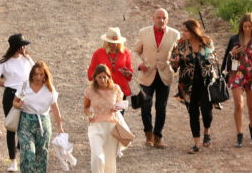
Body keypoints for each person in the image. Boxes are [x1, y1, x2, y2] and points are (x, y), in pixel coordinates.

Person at [16, 60, 63, 173]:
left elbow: (55, 108)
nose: (38, 77)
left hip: (43, 122)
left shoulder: (49, 89)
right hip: (26, 121)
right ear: (32, 74)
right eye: (36, 74)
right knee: (28, 154)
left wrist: (60, 126)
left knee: (41, 157)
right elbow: (15, 102)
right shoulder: (25, 86)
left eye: (41, 74)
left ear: (45, 75)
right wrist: (19, 104)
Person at [133, 8, 179, 148]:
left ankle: (158, 136)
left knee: (161, 107)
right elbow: (134, 52)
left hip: (165, 74)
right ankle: (148, 134)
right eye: (158, 17)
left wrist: (177, 62)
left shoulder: (175, 34)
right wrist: (140, 64)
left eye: (164, 17)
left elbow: (178, 54)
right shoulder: (144, 33)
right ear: (153, 19)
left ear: (168, 19)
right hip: (147, 74)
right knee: (146, 105)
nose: (161, 20)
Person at [221, 12, 252, 147]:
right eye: (245, 26)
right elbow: (227, 57)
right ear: (241, 26)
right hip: (237, 74)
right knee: (238, 104)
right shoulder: (235, 39)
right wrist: (233, 54)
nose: (247, 29)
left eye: (249, 26)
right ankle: (239, 134)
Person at [0, 33, 34, 172]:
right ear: (17, 47)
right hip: (11, 94)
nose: (25, 48)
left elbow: (36, 72)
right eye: (23, 46)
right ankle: (12, 161)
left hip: (25, 94)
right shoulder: (5, 63)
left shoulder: (27, 60)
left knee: (24, 125)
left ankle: (21, 152)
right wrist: (8, 85)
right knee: (11, 126)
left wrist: (28, 57)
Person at [171, 18, 216, 152]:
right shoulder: (180, 44)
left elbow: (214, 59)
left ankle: (207, 132)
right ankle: (196, 143)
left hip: (205, 83)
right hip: (187, 85)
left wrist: (208, 61)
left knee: (207, 112)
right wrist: (176, 62)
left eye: (186, 31)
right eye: (183, 30)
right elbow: (174, 67)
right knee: (193, 113)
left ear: (193, 30)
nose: (183, 33)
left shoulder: (207, 42)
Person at [83, 64, 124, 173]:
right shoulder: (90, 91)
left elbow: (121, 105)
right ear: (95, 78)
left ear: (108, 77)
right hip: (96, 125)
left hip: (111, 125)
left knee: (110, 156)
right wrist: (89, 113)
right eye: (99, 77)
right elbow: (86, 107)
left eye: (104, 77)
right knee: (97, 155)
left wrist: (116, 108)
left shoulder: (115, 89)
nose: (102, 80)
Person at [86, 27, 135, 100]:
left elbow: (130, 72)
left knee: (119, 111)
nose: (114, 45)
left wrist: (128, 73)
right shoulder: (98, 53)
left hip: (120, 90)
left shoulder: (125, 52)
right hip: (103, 90)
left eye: (116, 43)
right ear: (107, 42)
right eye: (111, 43)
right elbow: (91, 73)